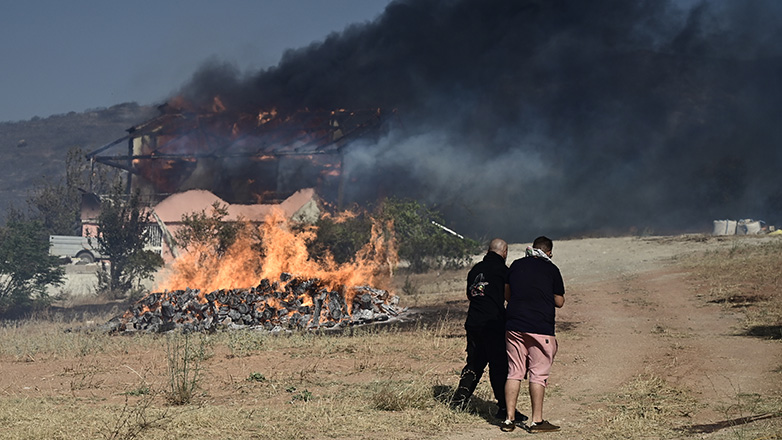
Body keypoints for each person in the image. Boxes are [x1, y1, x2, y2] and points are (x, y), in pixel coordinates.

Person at [451, 238, 527, 423]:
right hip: (493, 323)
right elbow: (510, 296)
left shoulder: (475, 270)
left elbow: (470, 295)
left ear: (488, 251)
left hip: (473, 322)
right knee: (499, 365)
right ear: (505, 252)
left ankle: (458, 402)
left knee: (474, 363)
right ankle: (504, 408)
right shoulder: (503, 271)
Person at [501, 236, 565, 433]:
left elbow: (507, 295)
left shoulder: (516, 265)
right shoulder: (551, 269)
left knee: (514, 372)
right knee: (538, 374)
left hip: (514, 325)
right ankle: (537, 421)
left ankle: (509, 420)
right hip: (540, 327)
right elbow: (559, 301)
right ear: (549, 252)